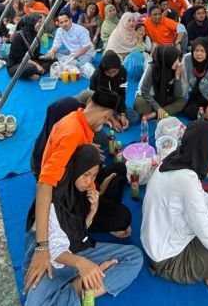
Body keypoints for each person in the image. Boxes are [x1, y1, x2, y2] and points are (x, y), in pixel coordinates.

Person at [25, 89, 131, 293]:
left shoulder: (78, 119)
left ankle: (102, 196)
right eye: (108, 118)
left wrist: (95, 189)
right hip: (68, 203)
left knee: (119, 169)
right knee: (123, 216)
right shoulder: (72, 132)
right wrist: (42, 246)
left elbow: (82, 172)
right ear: (106, 116)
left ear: (89, 101)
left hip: (81, 187)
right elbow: (45, 184)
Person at [23, 144, 143, 304]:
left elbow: (78, 234)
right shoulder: (54, 198)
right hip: (48, 257)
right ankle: (81, 286)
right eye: (86, 174)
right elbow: (54, 248)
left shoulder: (79, 193)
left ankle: (80, 285)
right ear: (76, 168)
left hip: (75, 249)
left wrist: (92, 212)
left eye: (94, 176)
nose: (89, 182)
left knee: (134, 257)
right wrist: (82, 264)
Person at [142, 122, 208, 293]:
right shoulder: (187, 183)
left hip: (164, 235)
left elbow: (200, 196)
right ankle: (206, 267)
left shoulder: (175, 159)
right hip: (167, 259)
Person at [77, 50, 138, 128]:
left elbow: (122, 93)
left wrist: (122, 113)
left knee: (134, 118)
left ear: (119, 68)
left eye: (115, 71)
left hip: (114, 102)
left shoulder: (123, 72)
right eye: (108, 72)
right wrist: (113, 120)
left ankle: (108, 117)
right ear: (103, 70)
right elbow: (97, 102)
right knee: (89, 118)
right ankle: (107, 118)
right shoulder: (97, 76)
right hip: (98, 104)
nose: (112, 75)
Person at [134, 45, 186, 119]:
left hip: (166, 98)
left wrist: (177, 77)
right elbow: (144, 91)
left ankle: (154, 114)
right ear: (168, 59)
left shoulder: (175, 70)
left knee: (182, 102)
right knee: (141, 106)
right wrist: (158, 107)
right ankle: (162, 112)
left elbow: (178, 95)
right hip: (150, 97)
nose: (178, 62)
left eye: (179, 59)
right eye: (176, 59)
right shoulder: (152, 68)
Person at [7, 13, 52, 80]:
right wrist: (36, 65)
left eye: (41, 22)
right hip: (17, 65)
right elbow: (20, 58)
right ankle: (32, 73)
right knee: (31, 68)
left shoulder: (35, 34)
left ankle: (36, 71)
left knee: (53, 60)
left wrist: (44, 57)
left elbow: (35, 55)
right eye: (39, 22)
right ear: (32, 22)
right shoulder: (18, 36)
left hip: (31, 60)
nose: (41, 24)